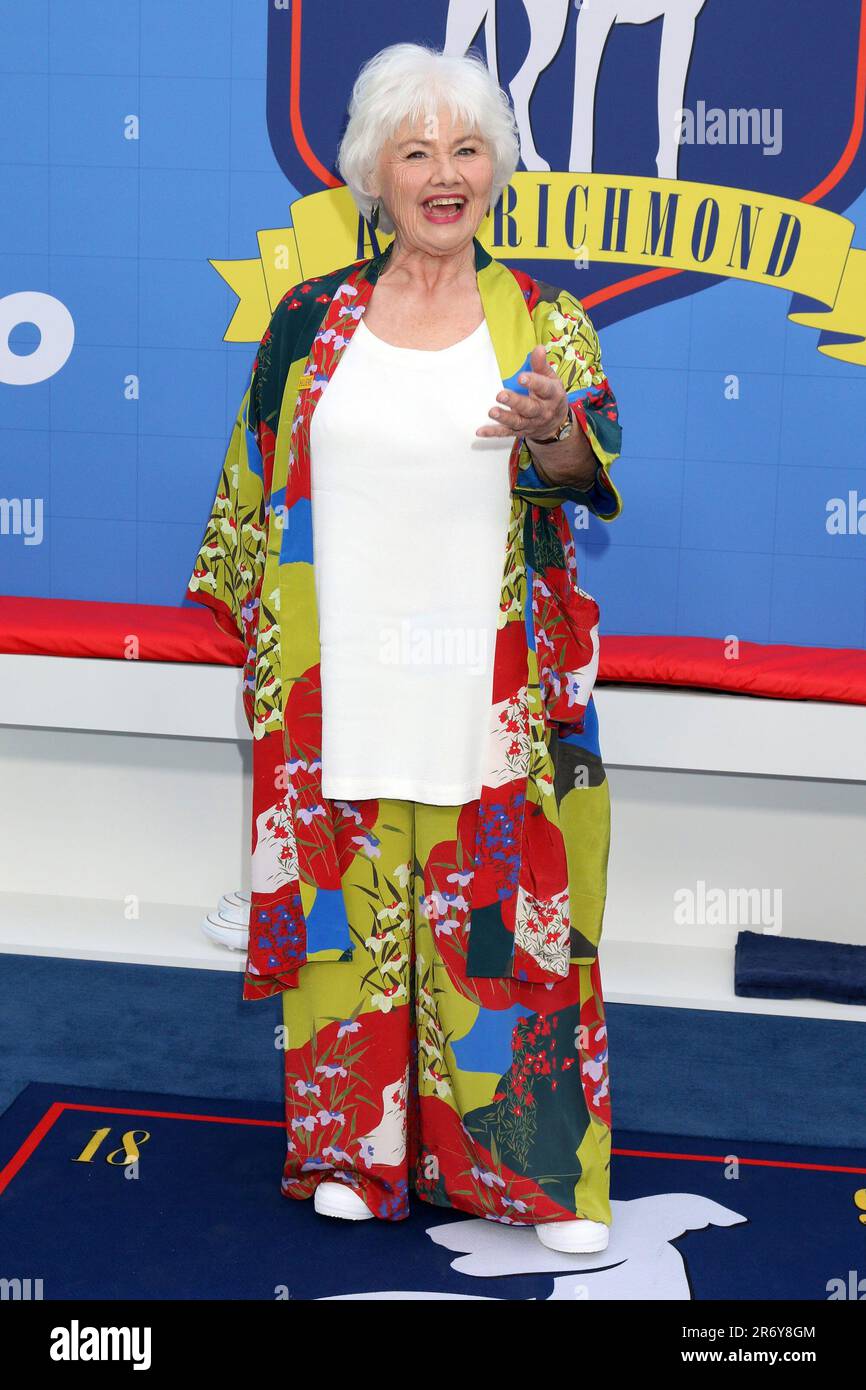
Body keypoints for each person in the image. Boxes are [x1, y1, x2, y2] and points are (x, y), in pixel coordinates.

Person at [187, 42, 623, 1255]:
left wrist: (550, 435)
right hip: (345, 679)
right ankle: (350, 1152)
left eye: (468, 148)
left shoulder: (543, 316)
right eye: (416, 149)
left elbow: (587, 479)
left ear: (497, 170)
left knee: (511, 924)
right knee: (343, 913)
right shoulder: (304, 321)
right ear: (369, 174)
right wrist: (265, 644)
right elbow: (251, 486)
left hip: (494, 693)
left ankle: (532, 1179)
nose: (445, 173)